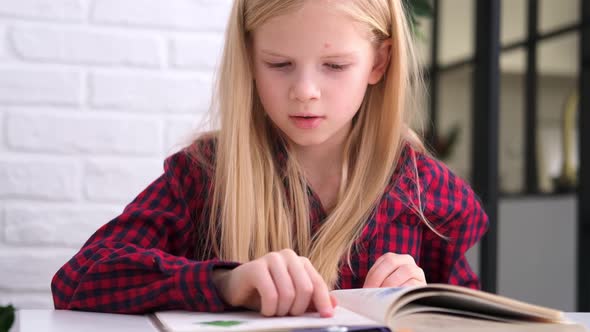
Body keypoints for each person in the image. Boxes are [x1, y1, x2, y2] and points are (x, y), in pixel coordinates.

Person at [51, 0, 488, 318]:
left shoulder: (424, 189)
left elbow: (480, 319)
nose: (305, 91)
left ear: (379, 62)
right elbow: (80, 279)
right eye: (279, 64)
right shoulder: (206, 174)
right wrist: (226, 283)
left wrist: (420, 302)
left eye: (334, 66)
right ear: (250, 60)